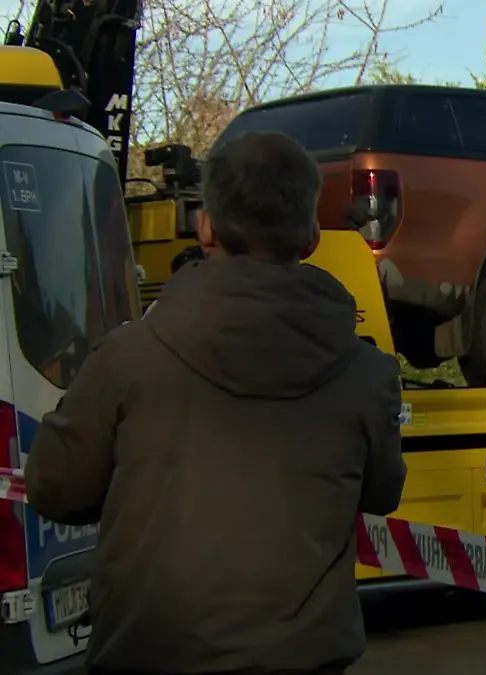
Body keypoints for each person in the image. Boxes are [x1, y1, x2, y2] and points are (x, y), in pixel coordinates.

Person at [24, 131, 406, 675]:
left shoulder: (130, 356)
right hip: (304, 660)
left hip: (149, 657)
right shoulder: (368, 375)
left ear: (205, 225)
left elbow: (53, 488)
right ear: (311, 237)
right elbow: (384, 490)